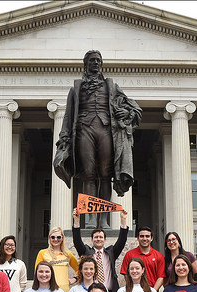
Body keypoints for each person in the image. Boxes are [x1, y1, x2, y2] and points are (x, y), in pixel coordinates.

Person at [54, 50, 142, 229]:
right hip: (84, 129)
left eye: (98, 60)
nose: (95, 63)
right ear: (85, 64)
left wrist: (125, 112)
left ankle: (104, 220)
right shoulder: (76, 88)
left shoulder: (112, 87)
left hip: (105, 130)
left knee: (105, 175)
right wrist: (64, 137)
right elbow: (68, 117)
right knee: (88, 175)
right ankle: (91, 219)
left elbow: (135, 109)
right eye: (92, 60)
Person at [72, 207, 128, 292]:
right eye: (96, 237)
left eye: (101, 237)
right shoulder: (86, 252)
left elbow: (121, 241)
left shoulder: (111, 252)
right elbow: (77, 241)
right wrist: (76, 221)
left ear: (104, 240)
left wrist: (123, 220)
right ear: (92, 240)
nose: (98, 239)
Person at [120, 226, 166, 291]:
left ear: (151, 238)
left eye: (147, 236)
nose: (144, 239)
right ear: (137, 238)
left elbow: (161, 276)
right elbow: (126, 274)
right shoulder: (129, 254)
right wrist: (134, 289)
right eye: (142, 236)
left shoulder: (158, 256)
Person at [35, 227, 79, 292]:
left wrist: (74, 279)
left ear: (62, 238)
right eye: (53, 237)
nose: (56, 239)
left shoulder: (68, 254)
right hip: (48, 291)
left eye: (58, 237)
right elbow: (37, 272)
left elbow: (80, 269)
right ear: (49, 238)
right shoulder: (42, 253)